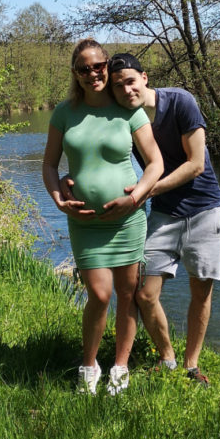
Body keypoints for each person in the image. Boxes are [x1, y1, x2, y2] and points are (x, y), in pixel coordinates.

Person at [42, 39, 163, 395]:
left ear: (107, 66)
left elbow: (155, 162)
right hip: (85, 223)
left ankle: (120, 368)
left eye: (99, 66)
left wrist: (137, 196)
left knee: (128, 295)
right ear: (75, 74)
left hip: (128, 220)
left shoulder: (128, 109)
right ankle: (89, 366)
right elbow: (49, 164)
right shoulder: (65, 113)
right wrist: (57, 198)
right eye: (85, 68)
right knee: (99, 293)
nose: (93, 73)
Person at [108, 53, 220, 385]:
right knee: (144, 293)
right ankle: (167, 358)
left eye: (131, 81)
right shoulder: (125, 119)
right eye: (118, 86)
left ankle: (192, 364)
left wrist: (144, 192)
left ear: (145, 78)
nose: (126, 89)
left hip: (205, 210)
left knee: (200, 291)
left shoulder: (180, 102)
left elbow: (196, 164)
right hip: (163, 214)